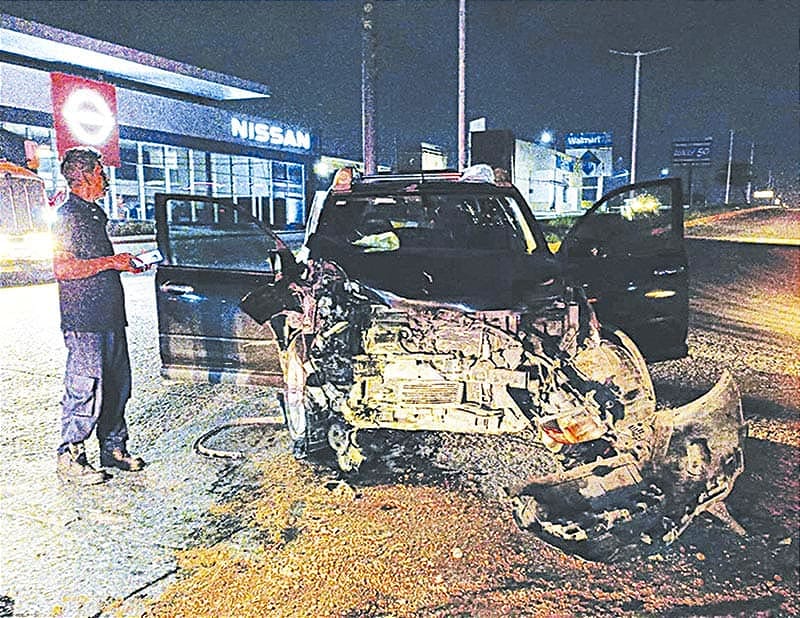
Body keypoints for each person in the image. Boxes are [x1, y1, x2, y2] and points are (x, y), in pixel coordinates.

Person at [52, 147, 149, 485]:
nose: (106, 179)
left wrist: (124, 264)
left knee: (117, 386)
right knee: (86, 388)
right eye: (101, 173)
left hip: (110, 316)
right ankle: (71, 455)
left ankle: (113, 449)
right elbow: (63, 268)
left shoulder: (94, 215)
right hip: (84, 320)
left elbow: (94, 264)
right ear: (85, 177)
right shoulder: (68, 217)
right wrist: (111, 262)